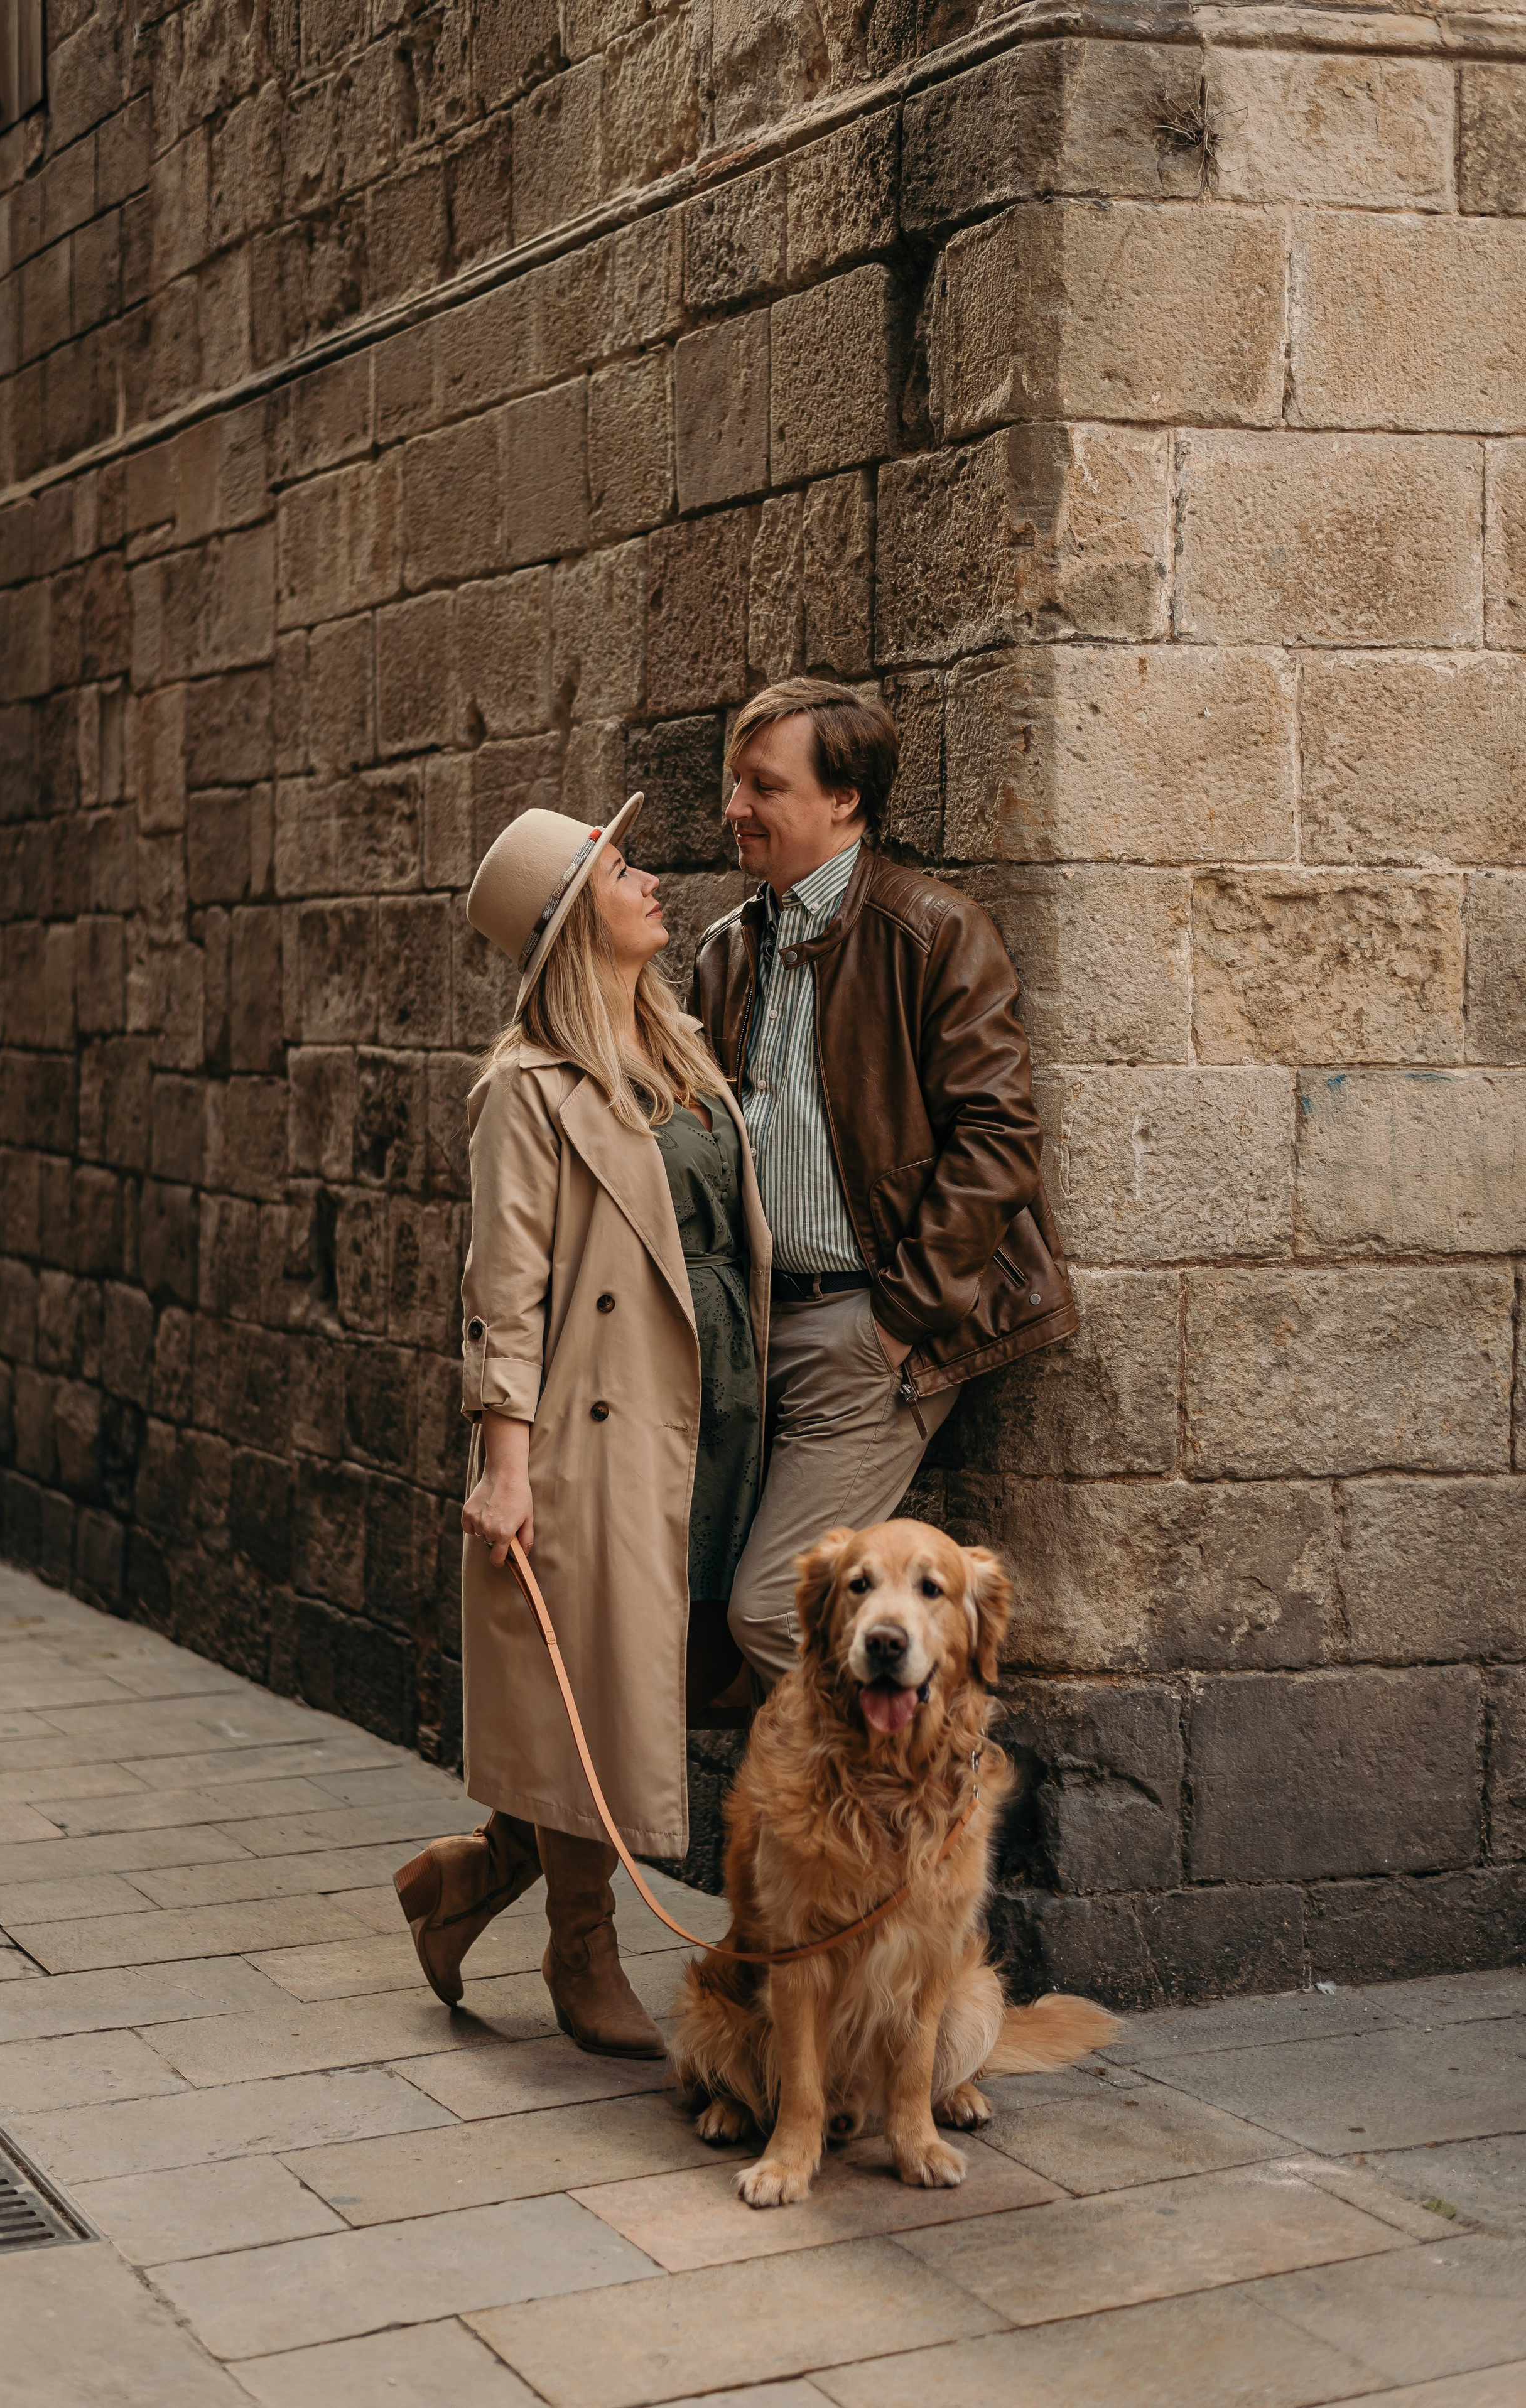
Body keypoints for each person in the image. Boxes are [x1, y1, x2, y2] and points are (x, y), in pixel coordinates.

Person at [395, 797, 771, 2058]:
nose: (651, 879)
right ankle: (580, 1945)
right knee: (601, 1689)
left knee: (655, 1677)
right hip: (594, 1431)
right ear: (569, 925)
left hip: (710, 1417)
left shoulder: (679, 1050)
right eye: (620, 869)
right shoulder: (528, 1089)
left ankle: (468, 1881)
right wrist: (506, 1468)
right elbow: (501, 1291)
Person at [689, 677, 1078, 1686]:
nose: (735, 809)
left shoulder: (931, 931)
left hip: (869, 1331)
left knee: (775, 1615)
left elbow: (998, 1137)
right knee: (692, 1612)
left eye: (762, 786)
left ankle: (902, 1819)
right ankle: (822, 1830)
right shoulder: (729, 949)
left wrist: (901, 1318)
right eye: (737, 782)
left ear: (845, 800)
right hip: (750, 1334)